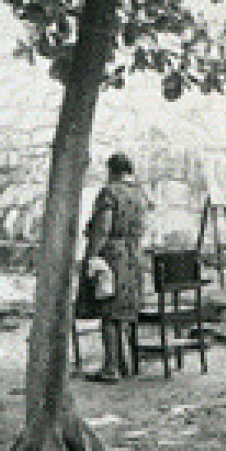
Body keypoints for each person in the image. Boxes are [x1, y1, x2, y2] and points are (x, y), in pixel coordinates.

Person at [82, 152, 149, 381]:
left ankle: (111, 368)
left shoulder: (109, 192)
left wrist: (91, 255)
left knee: (109, 311)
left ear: (112, 170)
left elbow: (103, 229)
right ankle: (126, 364)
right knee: (126, 311)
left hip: (114, 255)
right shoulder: (140, 193)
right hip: (135, 254)